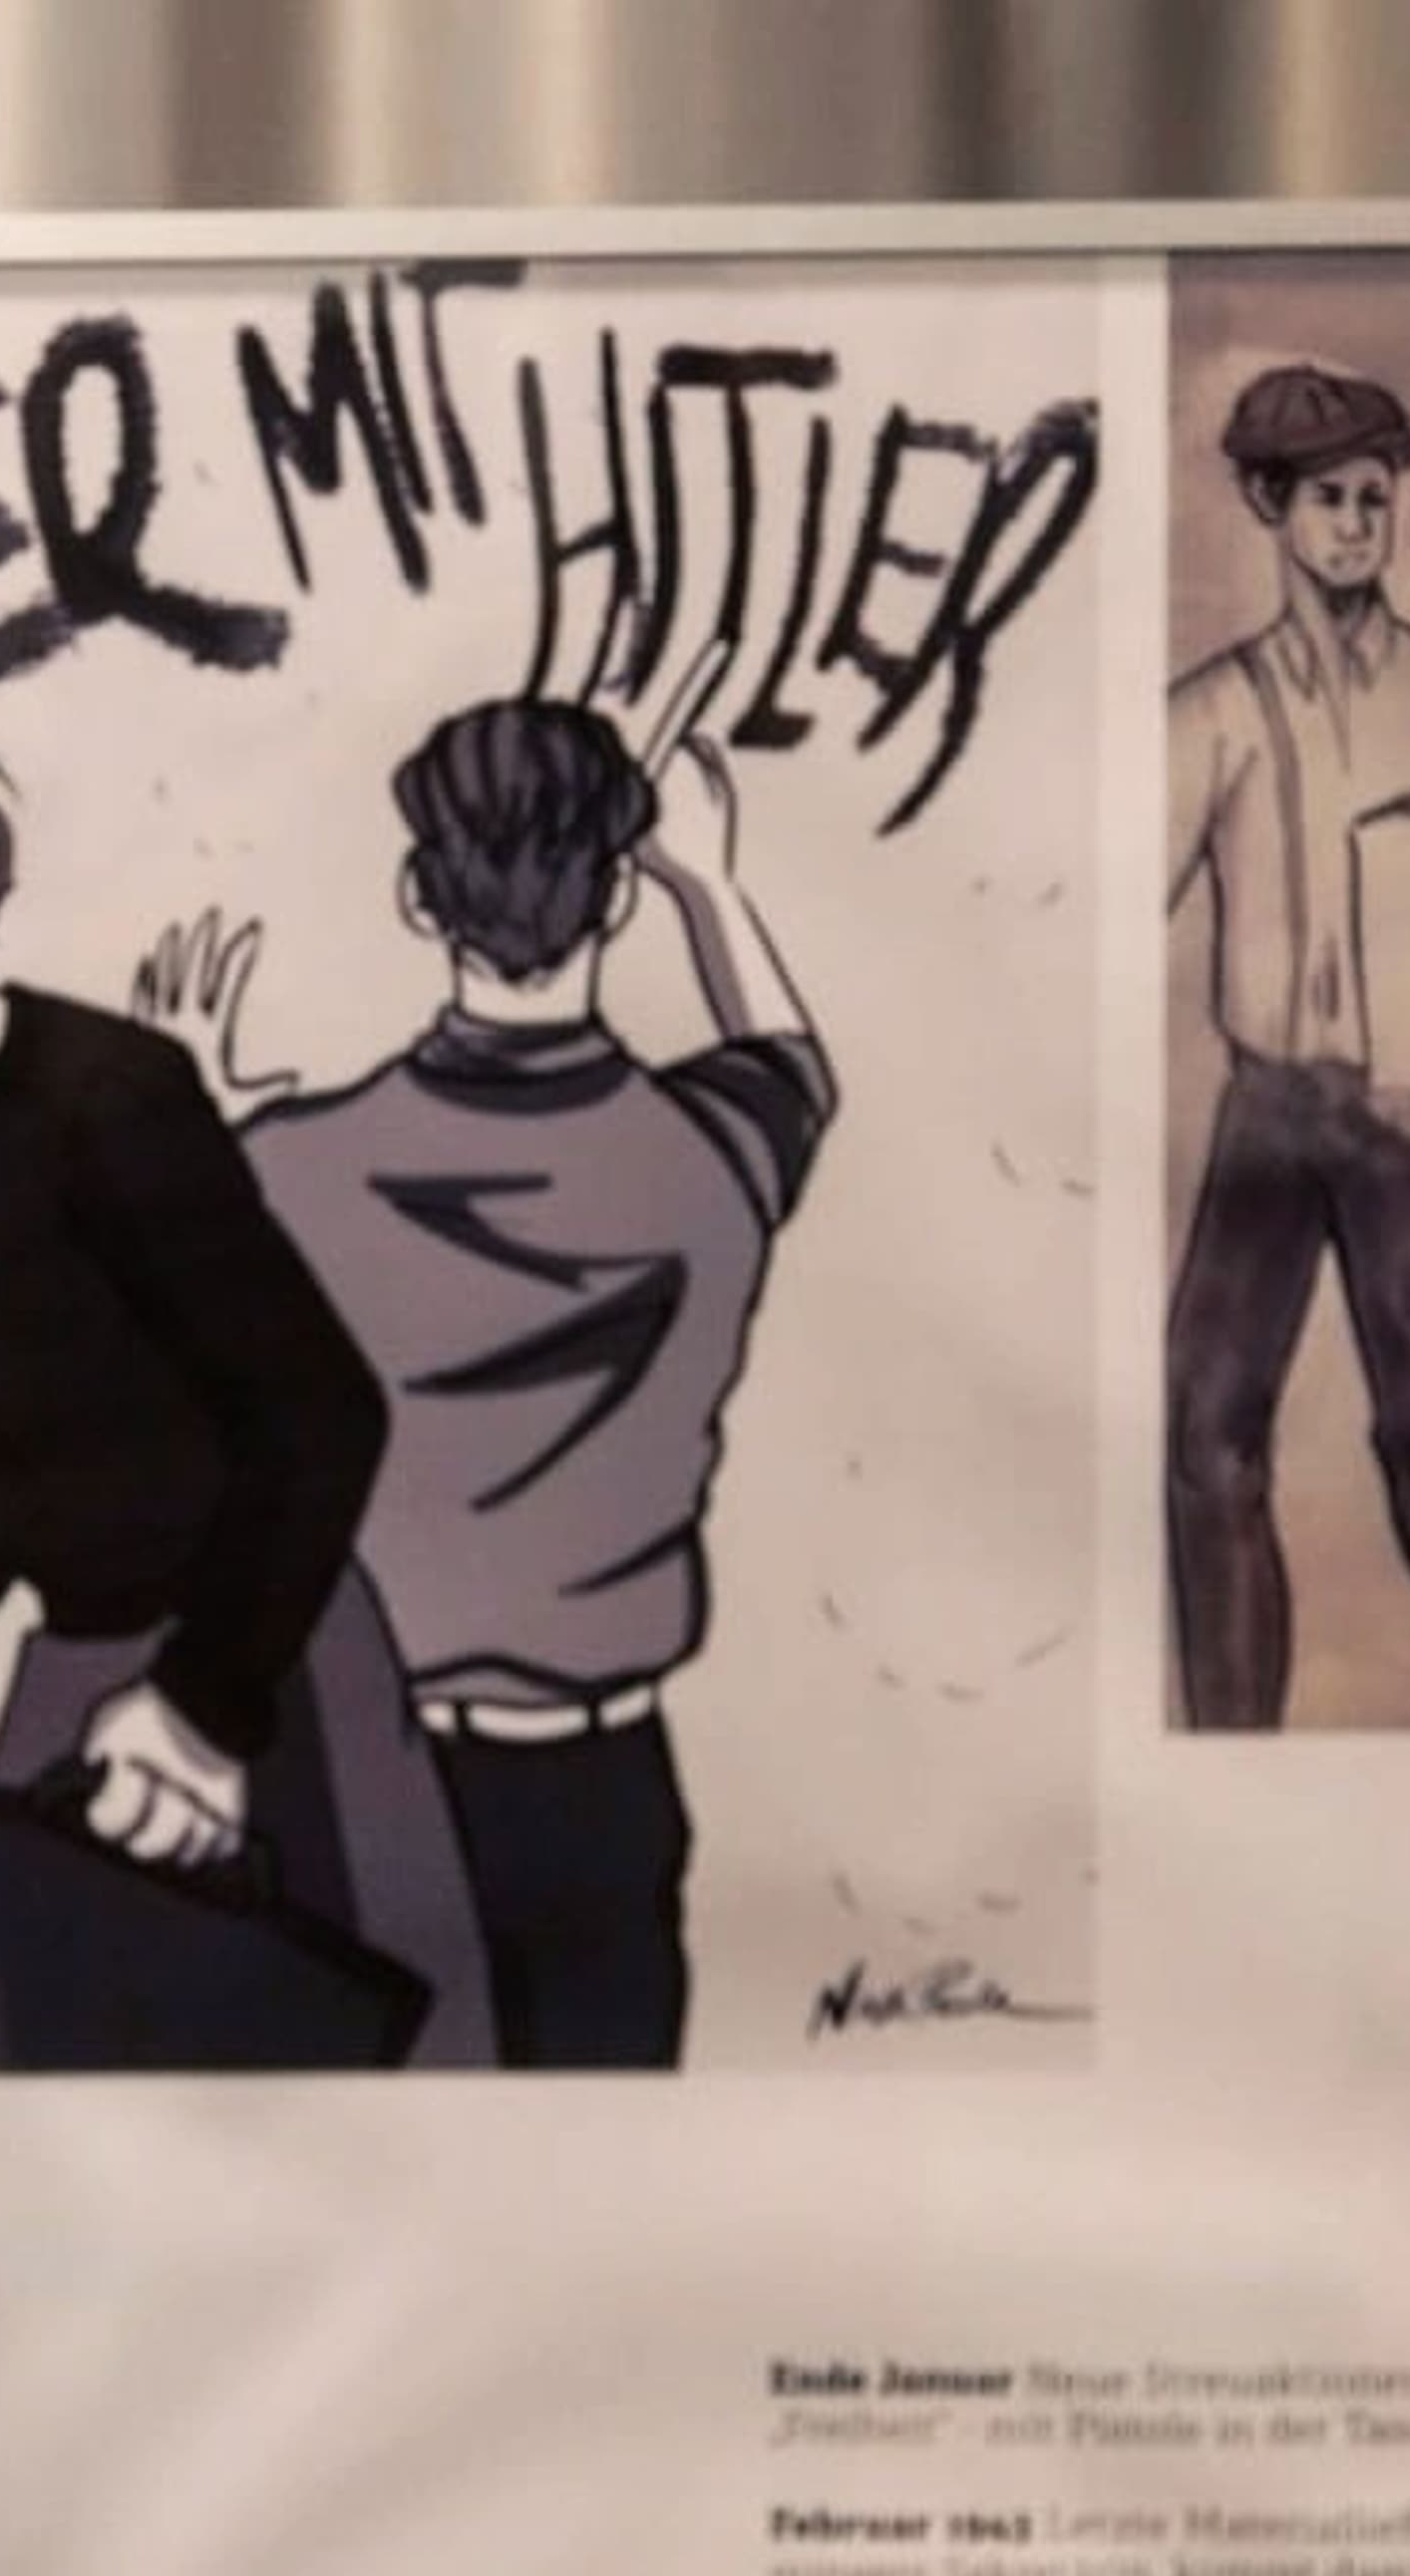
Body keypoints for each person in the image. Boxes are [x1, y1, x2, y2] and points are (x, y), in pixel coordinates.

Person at [0, 736, 493, 2070]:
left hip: (269, 1654)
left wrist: (202, 1708)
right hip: (80, 1670)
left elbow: (316, 1416)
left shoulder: (111, 1096)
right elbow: (25, 1442)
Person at [251, 696, 836, 2070]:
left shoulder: (286, 1167)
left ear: (418, 897)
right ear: (617, 898)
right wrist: (715, 883)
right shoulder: (712, 1156)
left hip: (361, 1790)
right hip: (602, 1791)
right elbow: (799, 1067)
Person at [1165, 360, 1410, 1730]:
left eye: (1376, 498)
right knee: (1204, 1439)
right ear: (1270, 507)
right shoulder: (1209, 712)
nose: (1359, 526)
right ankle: (1222, 1760)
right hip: (1270, 1113)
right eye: (1329, 501)